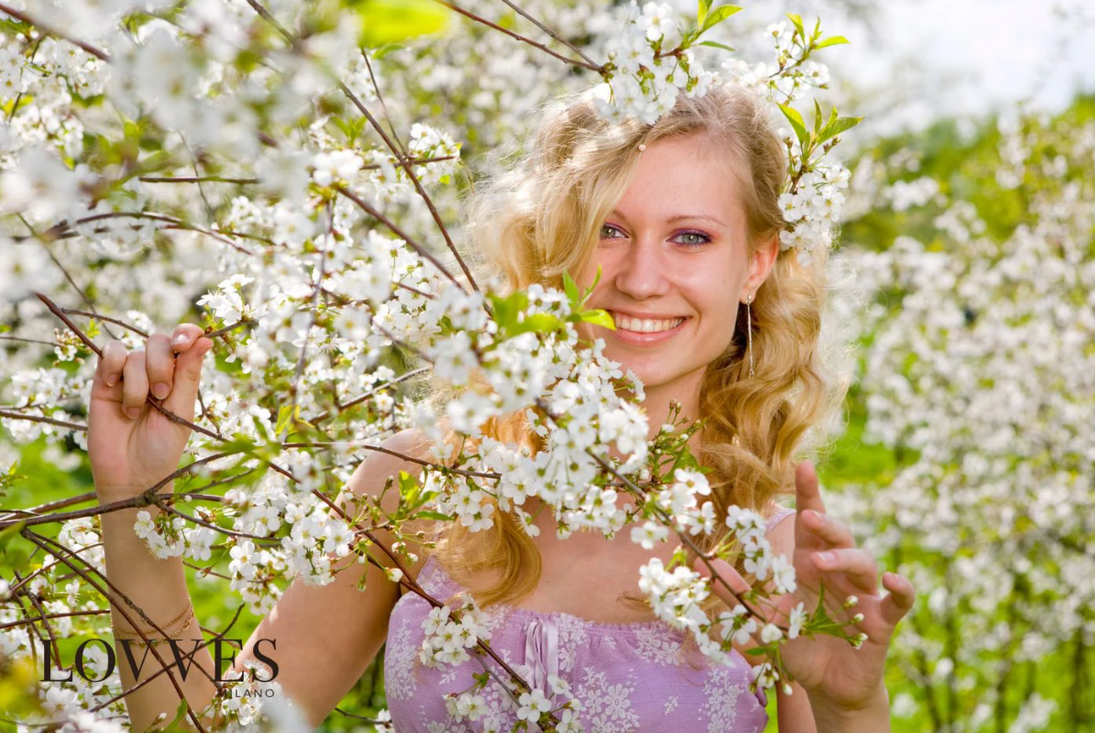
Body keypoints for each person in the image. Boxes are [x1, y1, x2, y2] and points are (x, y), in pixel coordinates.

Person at [88, 80, 914, 732]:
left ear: (755, 265)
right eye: (608, 229)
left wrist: (848, 706)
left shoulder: (769, 547)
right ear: (553, 246)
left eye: (690, 236)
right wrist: (135, 505)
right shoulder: (423, 485)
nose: (640, 278)